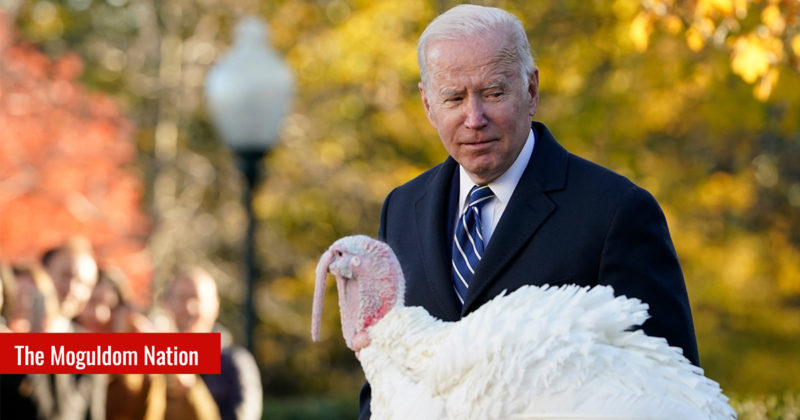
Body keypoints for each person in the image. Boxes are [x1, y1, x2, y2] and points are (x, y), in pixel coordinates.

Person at [365, 4, 698, 418]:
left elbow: (672, 393)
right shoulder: (400, 208)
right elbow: (383, 382)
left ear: (532, 90)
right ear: (428, 104)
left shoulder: (616, 212)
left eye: (494, 93)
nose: (474, 118)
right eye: (454, 98)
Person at [162, 266, 262, 420]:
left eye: (197, 299)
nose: (189, 308)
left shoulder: (234, 362)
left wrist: (191, 390)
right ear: (166, 304)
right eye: (182, 298)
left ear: (216, 305)